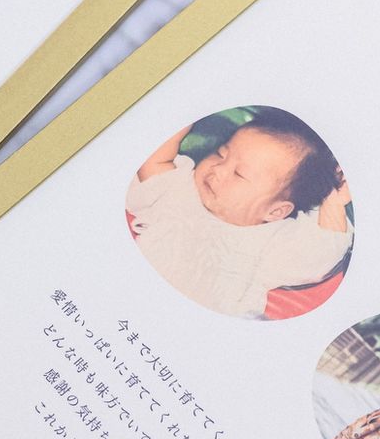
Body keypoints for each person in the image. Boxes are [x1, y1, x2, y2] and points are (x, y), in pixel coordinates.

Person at [125, 109, 353, 318]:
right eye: (220, 154)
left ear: (276, 211)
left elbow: (322, 250)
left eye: (239, 174)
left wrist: (333, 200)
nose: (218, 169)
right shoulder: (180, 190)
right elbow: (155, 161)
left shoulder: (270, 242)